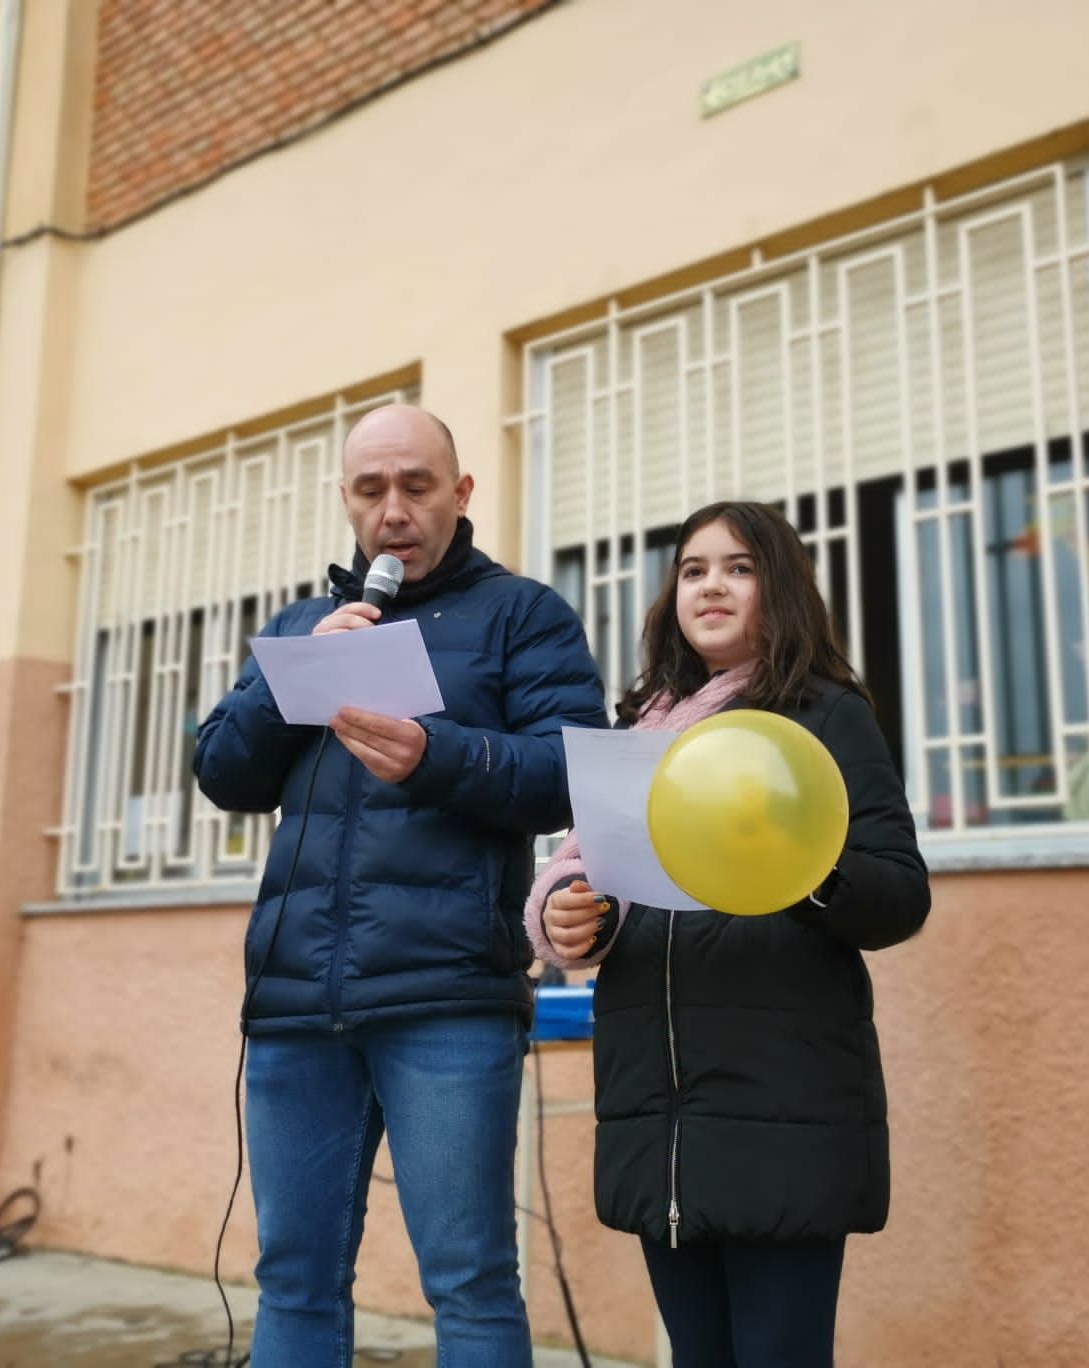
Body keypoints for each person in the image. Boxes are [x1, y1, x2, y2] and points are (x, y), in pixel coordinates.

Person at [193, 403, 607, 1368]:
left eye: (416, 487)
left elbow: (568, 774)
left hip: (447, 999)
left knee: (467, 1281)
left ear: (461, 494)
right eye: (371, 490)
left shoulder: (523, 614)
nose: (393, 511)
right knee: (293, 1278)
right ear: (345, 500)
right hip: (297, 1004)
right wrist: (279, 688)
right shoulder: (304, 626)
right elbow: (223, 772)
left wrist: (434, 756)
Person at [524, 500, 930, 1368]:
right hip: (657, 1110)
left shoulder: (824, 716)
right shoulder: (643, 726)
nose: (711, 584)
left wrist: (797, 869)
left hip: (783, 1107)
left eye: (739, 567)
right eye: (695, 568)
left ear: (778, 589)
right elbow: (592, 871)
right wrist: (570, 912)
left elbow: (898, 896)